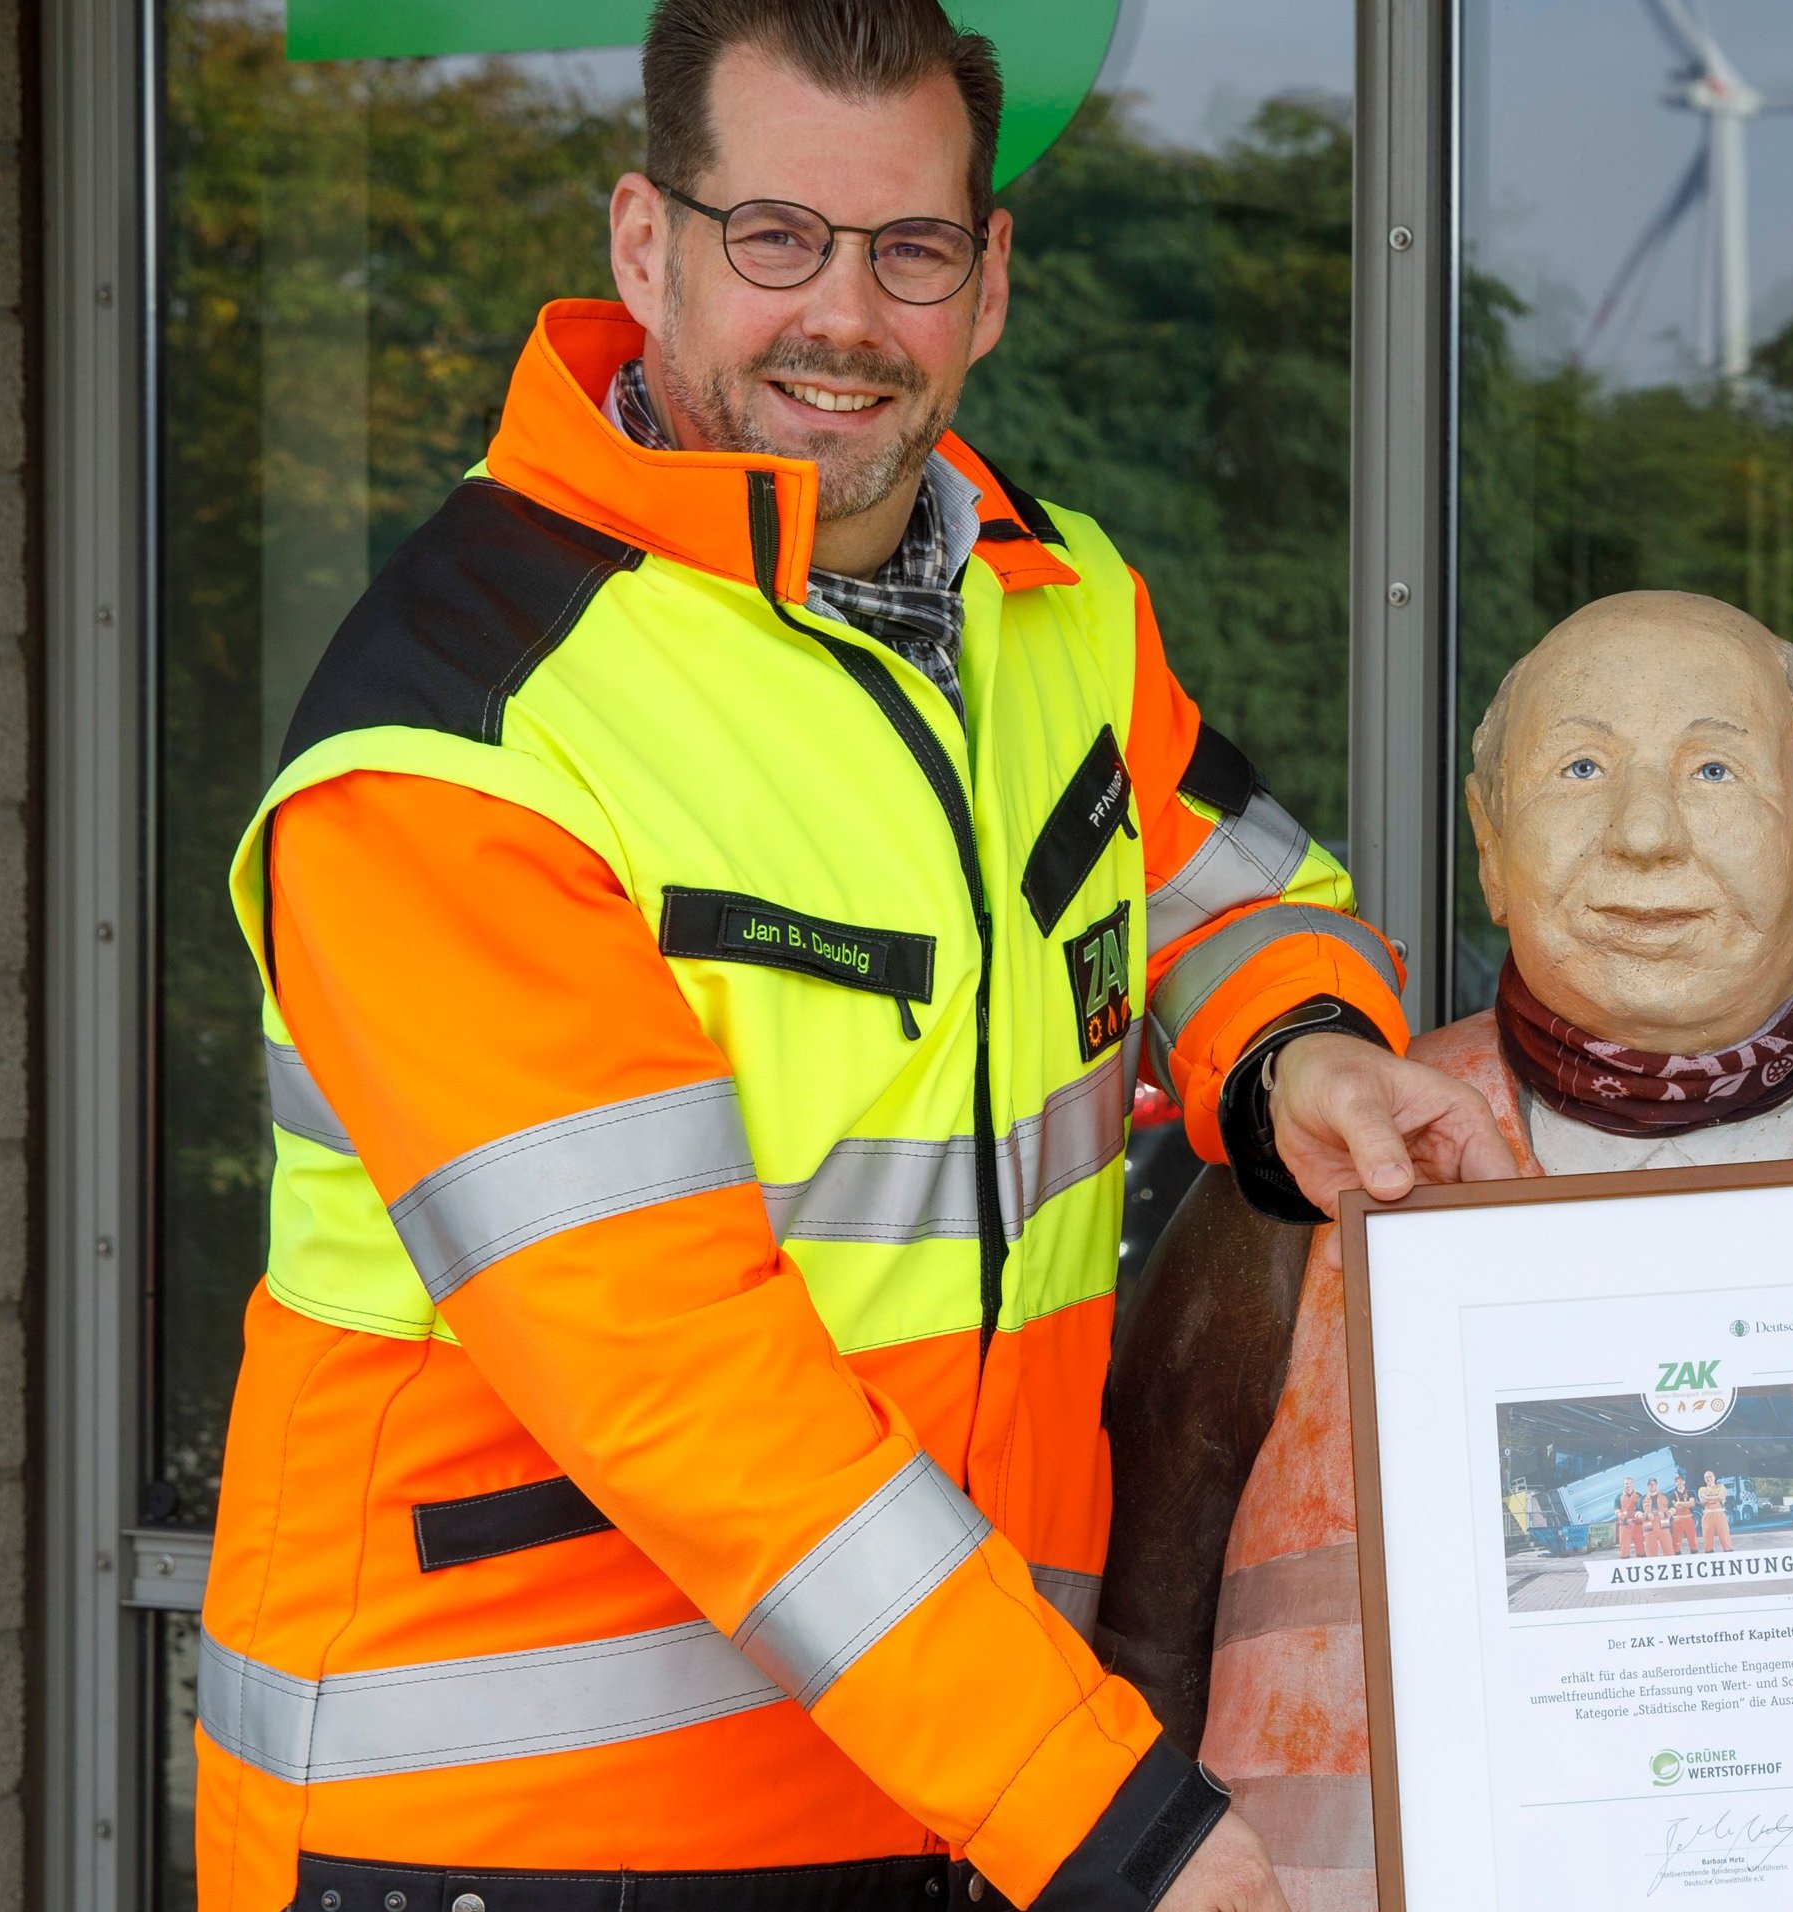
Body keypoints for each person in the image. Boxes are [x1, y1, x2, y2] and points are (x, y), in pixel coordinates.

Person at [191, 7, 1510, 1911]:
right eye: (776, 236)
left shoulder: (1052, 605)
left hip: (937, 1802)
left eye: (908, 250)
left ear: (988, 285)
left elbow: (1231, 893)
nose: (844, 313)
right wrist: (1102, 1812)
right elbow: (684, 1385)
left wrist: (1300, 1054)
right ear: (648, 245)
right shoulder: (462, 736)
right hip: (517, 1835)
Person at [1092, 591, 1793, 1903]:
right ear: (1492, 846)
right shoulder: (1318, 1167)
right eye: (1582, 770)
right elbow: (1141, 1619)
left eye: (1714, 771)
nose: (1643, 836)